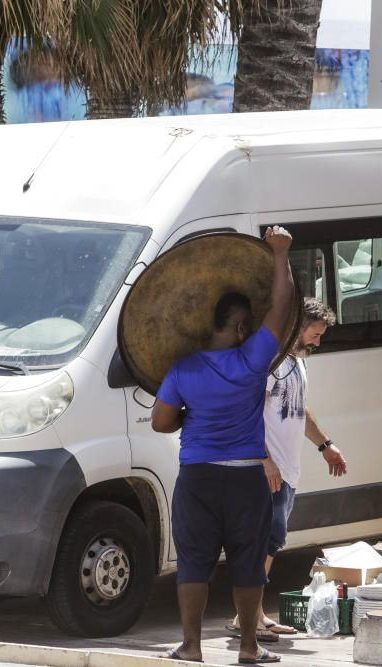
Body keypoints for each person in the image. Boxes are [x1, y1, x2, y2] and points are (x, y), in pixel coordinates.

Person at [151, 226, 294, 665]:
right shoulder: (252, 361)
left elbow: (160, 423)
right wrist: (280, 254)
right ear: (239, 326)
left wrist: (189, 415)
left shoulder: (183, 369)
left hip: (197, 477)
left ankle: (191, 647)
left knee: (194, 561)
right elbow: (283, 304)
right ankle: (249, 647)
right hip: (246, 478)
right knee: (248, 562)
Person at [226, 297, 347, 641]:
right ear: (296, 324)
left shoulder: (296, 362)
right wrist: (264, 460)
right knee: (267, 541)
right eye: (315, 333)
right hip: (266, 469)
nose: (317, 341)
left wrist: (325, 446)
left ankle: (253, 616)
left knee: (269, 543)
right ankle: (245, 619)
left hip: (286, 470)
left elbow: (298, 409)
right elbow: (245, 413)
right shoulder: (271, 362)